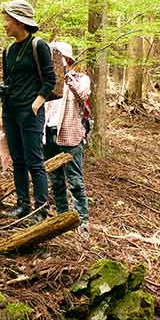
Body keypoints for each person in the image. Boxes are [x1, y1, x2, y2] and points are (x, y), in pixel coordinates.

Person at [0, 0, 55, 224]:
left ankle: (41, 209)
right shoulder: (9, 50)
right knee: (18, 160)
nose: (5, 24)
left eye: (8, 20)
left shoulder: (39, 46)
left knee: (34, 161)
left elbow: (50, 79)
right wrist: (2, 115)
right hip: (11, 112)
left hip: (31, 112)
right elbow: (6, 84)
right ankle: (22, 205)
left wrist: (36, 103)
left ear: (20, 22)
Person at [43, 41, 89, 231]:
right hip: (48, 135)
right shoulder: (46, 80)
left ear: (68, 60)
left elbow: (83, 95)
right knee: (56, 181)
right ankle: (62, 220)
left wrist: (66, 76)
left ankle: (82, 223)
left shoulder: (80, 79)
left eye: (57, 57)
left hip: (70, 136)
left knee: (75, 181)